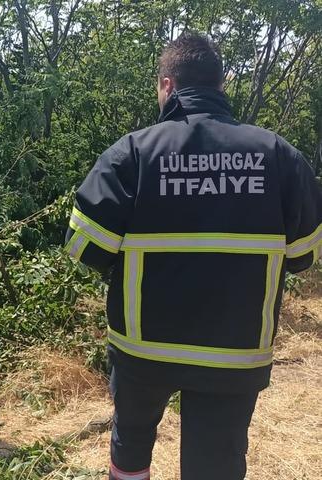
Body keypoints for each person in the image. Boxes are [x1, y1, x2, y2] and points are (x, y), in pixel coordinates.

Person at [65, 32, 322, 480]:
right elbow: (302, 257)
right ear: (220, 86)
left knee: (131, 452)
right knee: (215, 467)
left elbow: (85, 247)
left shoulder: (132, 153)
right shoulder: (279, 156)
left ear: (168, 85)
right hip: (234, 353)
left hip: (143, 349)